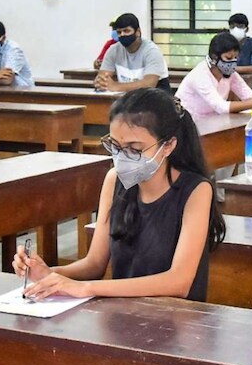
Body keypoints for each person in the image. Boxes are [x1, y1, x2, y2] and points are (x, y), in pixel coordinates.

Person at [13, 88, 226, 302]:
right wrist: (48, 273)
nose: (122, 157)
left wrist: (86, 288)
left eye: (134, 149)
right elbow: (94, 264)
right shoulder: (114, 180)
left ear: (168, 145)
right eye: (115, 146)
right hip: (122, 313)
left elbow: (179, 282)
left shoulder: (196, 190)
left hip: (176, 316)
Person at [175, 32, 252, 117]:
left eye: (235, 58)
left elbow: (249, 96)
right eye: (228, 58)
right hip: (188, 122)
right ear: (214, 57)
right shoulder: (200, 75)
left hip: (211, 121)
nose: (233, 62)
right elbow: (221, 107)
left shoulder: (231, 74)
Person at [95, 13, 171, 93]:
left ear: (138, 32)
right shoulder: (114, 50)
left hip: (156, 98)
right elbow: (102, 78)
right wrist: (100, 83)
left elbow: (149, 84)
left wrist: (115, 86)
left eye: (126, 31)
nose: (122, 35)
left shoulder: (152, 51)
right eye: (119, 32)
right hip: (127, 98)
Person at [228, 13, 252, 97]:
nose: (236, 29)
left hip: (251, 87)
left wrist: (230, 68)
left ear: (247, 29)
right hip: (228, 87)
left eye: (239, 26)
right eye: (232, 26)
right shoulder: (225, 44)